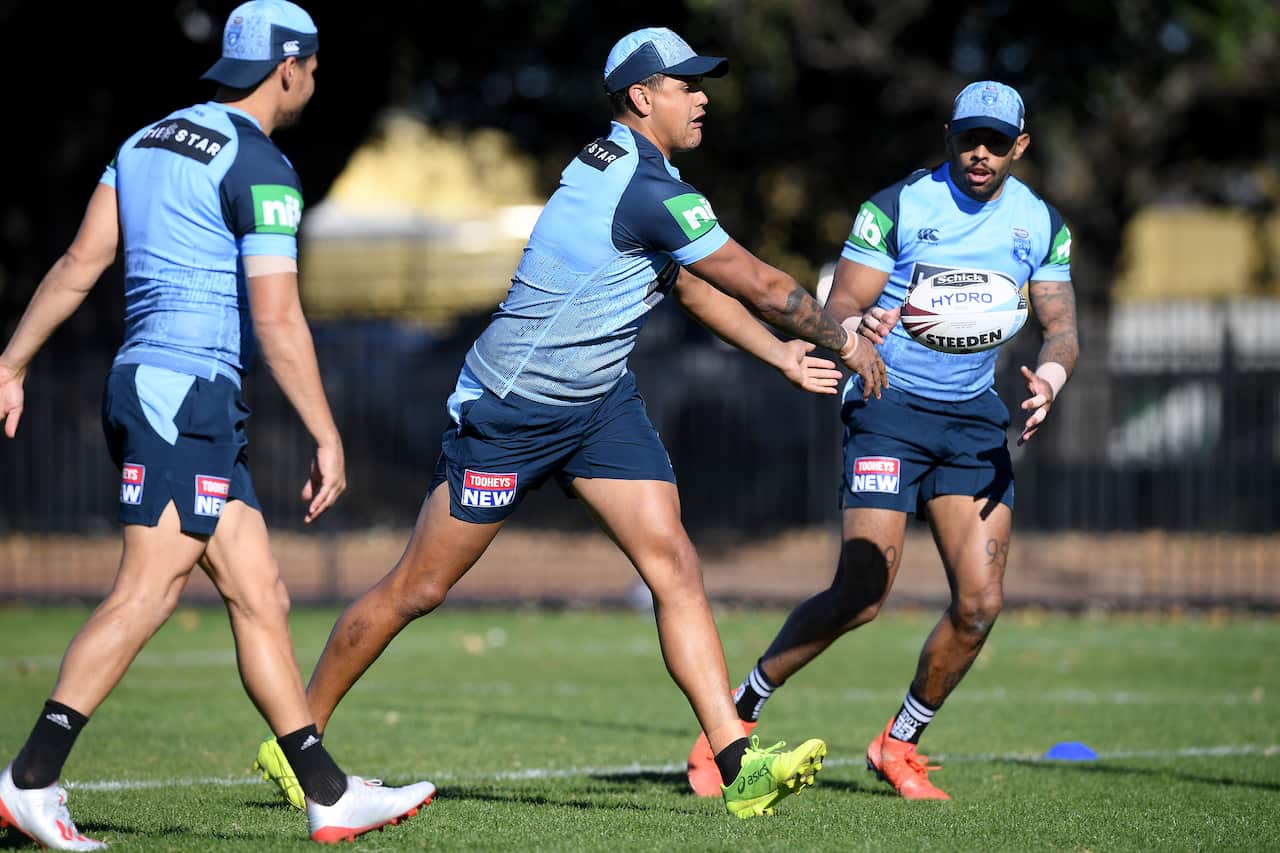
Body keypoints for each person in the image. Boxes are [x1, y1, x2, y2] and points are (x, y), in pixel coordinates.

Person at [253, 26, 892, 821]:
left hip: (597, 406)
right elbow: (762, 283)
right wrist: (840, 339)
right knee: (417, 586)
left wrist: (782, 359)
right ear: (640, 97)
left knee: (674, 564)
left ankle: (738, 763)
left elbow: (690, 288)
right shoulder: (645, 187)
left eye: (702, 83)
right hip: (511, 412)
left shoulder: (642, 173)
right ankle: (295, 739)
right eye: (685, 84)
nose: (701, 97)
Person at [0, 2, 435, 847]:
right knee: (149, 588)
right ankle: (30, 777)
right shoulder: (262, 164)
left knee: (259, 592)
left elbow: (78, 262)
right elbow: (276, 320)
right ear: (288, 69)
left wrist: (12, 361)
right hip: (187, 399)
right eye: (312, 66)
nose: (314, 80)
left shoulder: (145, 141)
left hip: (146, 387)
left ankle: (328, 792)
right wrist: (326, 432)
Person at [685, 80, 1080, 800]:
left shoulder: (1041, 224)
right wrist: (853, 333)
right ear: (949, 137)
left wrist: (1050, 377)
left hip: (970, 422)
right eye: (969, 138)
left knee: (980, 603)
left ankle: (898, 742)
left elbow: (1061, 325)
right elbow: (841, 300)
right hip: (886, 406)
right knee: (864, 589)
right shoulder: (897, 207)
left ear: (1021, 146)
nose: (981, 153)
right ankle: (736, 718)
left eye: (997, 141)